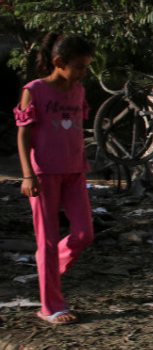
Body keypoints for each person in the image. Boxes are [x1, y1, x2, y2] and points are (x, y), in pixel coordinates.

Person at [14, 34, 95, 325]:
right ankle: (50, 307)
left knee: (84, 234)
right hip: (43, 174)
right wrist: (27, 174)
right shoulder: (34, 90)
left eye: (86, 67)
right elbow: (23, 134)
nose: (83, 73)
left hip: (74, 171)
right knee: (46, 241)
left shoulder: (79, 91)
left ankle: (49, 270)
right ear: (58, 62)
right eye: (79, 66)